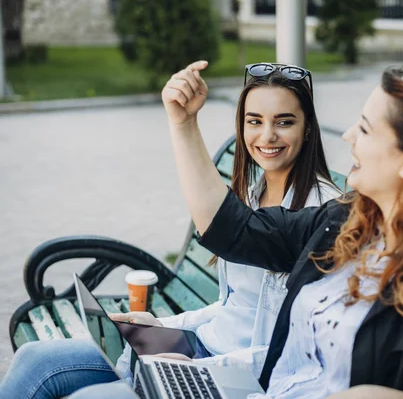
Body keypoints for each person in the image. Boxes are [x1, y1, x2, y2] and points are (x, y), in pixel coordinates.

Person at [55, 57, 403, 399]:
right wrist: (183, 125)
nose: (348, 135)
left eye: (366, 129)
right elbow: (232, 230)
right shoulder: (344, 223)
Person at [0, 63, 340, 399]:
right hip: (194, 348)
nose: (267, 136)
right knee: (35, 360)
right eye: (255, 121)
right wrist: (163, 328)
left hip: (238, 376)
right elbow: (232, 307)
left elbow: (301, 352)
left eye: (284, 122)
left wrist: (195, 367)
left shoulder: (324, 217)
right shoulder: (250, 193)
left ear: (308, 127)